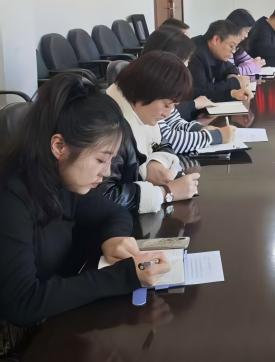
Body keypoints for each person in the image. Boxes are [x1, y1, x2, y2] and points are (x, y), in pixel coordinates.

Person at [0, 74, 171, 327]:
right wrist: (124, 276)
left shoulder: (61, 179)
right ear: (59, 147)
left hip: (58, 314)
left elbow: (115, 213)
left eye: (110, 160)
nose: (106, 172)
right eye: (101, 160)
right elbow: (22, 303)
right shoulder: (11, 198)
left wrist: (114, 238)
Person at [102, 51, 200, 214]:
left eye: (174, 106)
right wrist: (166, 193)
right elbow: (104, 197)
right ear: (144, 90)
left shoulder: (142, 110)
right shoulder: (109, 129)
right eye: (166, 105)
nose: (167, 114)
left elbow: (162, 141)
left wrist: (156, 162)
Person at [141, 29, 237, 153]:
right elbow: (165, 140)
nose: (186, 68)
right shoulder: (148, 89)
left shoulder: (161, 84)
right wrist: (215, 136)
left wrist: (201, 129)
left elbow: (174, 121)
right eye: (185, 62)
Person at [187, 20, 253, 102]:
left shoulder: (213, 51)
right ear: (216, 39)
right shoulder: (195, 54)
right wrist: (235, 83)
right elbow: (200, 91)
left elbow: (229, 66)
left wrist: (232, 75)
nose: (233, 51)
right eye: (231, 46)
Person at [226, 8, 267, 76]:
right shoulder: (225, 46)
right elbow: (232, 73)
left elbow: (249, 61)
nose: (246, 36)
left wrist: (254, 63)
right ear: (236, 28)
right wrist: (253, 66)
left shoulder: (237, 47)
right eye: (246, 31)